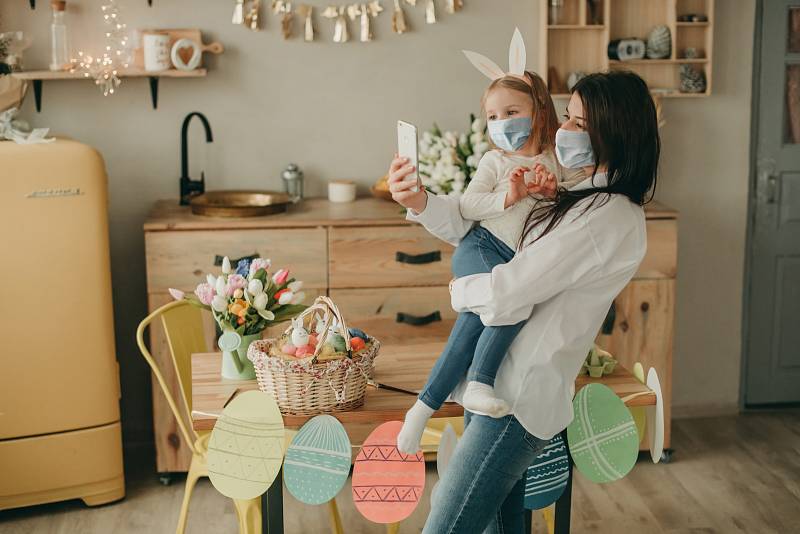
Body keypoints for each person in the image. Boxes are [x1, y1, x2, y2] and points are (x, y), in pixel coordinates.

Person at [387, 70, 660, 533]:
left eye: (578, 122)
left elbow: (511, 288)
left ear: (614, 133)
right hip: (502, 388)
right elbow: (490, 226)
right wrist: (419, 200)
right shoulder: (578, 191)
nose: (563, 130)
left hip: (517, 395)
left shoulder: (609, 215)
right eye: (566, 117)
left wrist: (459, 292)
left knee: (447, 524)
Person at [397, 69, 585, 454]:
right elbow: (467, 205)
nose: (501, 123)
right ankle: (477, 383)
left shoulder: (554, 160)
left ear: (539, 111)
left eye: (511, 111)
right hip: (482, 247)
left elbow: (567, 208)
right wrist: (509, 196)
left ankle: (422, 409)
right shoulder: (495, 162)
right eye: (493, 117)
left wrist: (553, 192)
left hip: (514, 262)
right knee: (511, 304)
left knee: (474, 322)